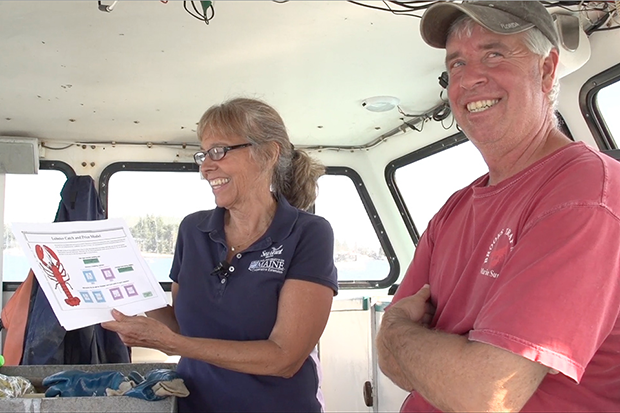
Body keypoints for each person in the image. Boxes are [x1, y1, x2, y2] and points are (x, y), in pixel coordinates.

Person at [377, 1, 620, 412]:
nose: (469, 78)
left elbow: (485, 394)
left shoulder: (585, 193)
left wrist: (398, 331)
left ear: (546, 71)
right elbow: (389, 364)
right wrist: (412, 351)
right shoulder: (453, 210)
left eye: (494, 54)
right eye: (456, 64)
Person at [102, 97, 338, 412]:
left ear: (267, 154)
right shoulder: (192, 230)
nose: (205, 166)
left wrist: (174, 346)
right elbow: (183, 328)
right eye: (203, 154)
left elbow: (285, 358)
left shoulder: (308, 233)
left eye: (219, 151)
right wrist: (124, 285)